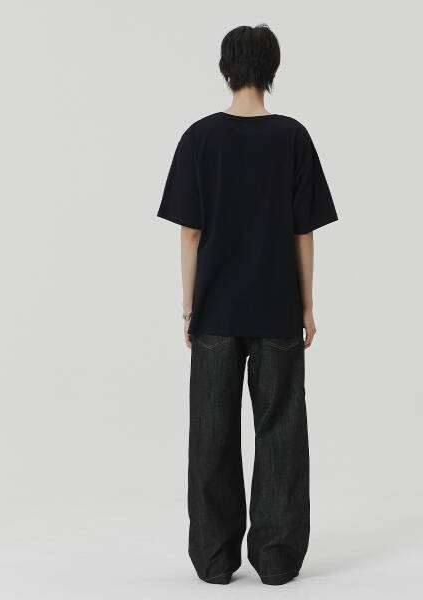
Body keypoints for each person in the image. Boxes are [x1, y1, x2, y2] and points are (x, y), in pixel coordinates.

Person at [157, 24, 338, 586]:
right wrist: (307, 305)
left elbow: (191, 232)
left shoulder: (199, 138)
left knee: (210, 434)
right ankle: (278, 559)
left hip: (215, 310)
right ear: (273, 71)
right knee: (281, 429)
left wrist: (189, 306)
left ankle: (214, 559)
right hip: (277, 307)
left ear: (225, 69)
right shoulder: (293, 137)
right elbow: (303, 232)